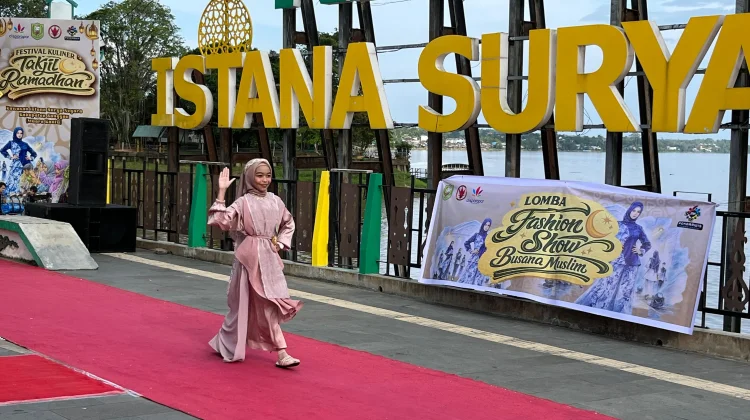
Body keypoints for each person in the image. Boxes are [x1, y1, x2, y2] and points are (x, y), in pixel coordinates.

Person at [207, 159, 303, 368]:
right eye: (259, 175)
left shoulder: (276, 201)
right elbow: (221, 221)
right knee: (246, 305)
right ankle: (280, 352)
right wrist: (221, 192)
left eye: (268, 175)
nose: (265, 180)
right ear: (250, 177)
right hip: (249, 259)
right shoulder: (243, 202)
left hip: (269, 258)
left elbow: (289, 222)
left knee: (267, 303)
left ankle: (277, 352)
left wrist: (281, 243)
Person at [0, 127, 36, 195]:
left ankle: (19, 197)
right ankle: (9, 197)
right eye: (18, 133)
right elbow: (2, 150)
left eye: (21, 133)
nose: (19, 135)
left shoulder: (25, 144)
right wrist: (10, 157)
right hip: (15, 166)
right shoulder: (11, 143)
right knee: (12, 182)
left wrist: (30, 158)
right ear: (15, 133)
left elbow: (34, 153)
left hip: (24, 166)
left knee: (21, 183)